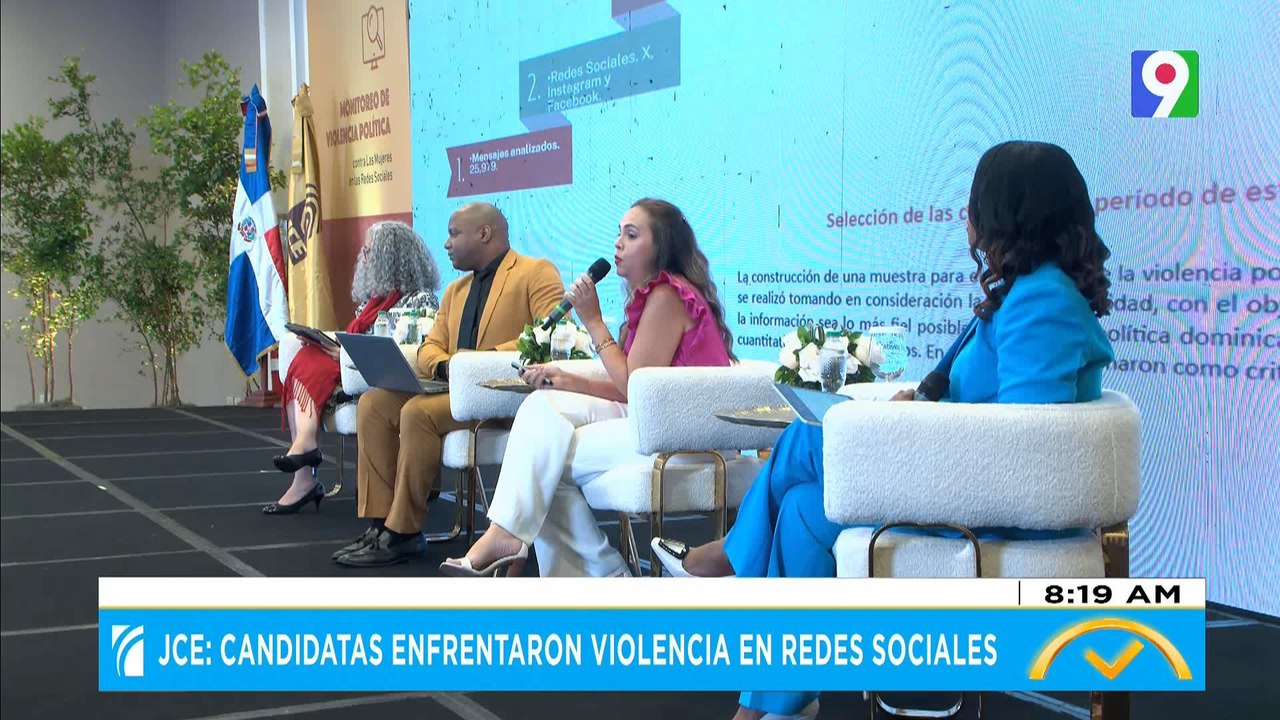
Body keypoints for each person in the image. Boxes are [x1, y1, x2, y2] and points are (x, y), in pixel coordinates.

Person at [650, 141, 1116, 720]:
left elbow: (1022, 442)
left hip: (992, 511)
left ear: (1006, 212)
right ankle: (774, 706)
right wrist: (914, 406)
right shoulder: (1031, 292)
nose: (965, 215)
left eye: (974, 200)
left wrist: (908, 426)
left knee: (812, 435)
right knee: (801, 509)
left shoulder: (1041, 301)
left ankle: (726, 557)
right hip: (967, 487)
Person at [440, 197, 738, 578]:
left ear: (660, 246)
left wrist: (593, 321)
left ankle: (588, 571)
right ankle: (519, 541)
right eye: (619, 233)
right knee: (543, 410)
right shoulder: (653, 296)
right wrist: (566, 381)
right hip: (656, 423)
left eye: (631, 235)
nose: (618, 243)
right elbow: (635, 386)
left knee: (542, 462)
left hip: (683, 439)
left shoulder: (668, 296)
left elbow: (634, 387)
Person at [334, 202, 565, 567]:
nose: (446, 244)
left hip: (501, 395)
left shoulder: (535, 272)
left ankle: (404, 531)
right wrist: (444, 366)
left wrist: (470, 364)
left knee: (417, 412)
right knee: (374, 404)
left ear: (484, 233)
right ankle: (380, 524)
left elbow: (547, 335)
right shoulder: (456, 290)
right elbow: (431, 347)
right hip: (451, 391)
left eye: (454, 234)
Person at [263, 220, 439, 515]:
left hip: (382, 382)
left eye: (368, 252)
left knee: (311, 364)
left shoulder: (421, 301)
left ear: (390, 258)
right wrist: (337, 349)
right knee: (305, 357)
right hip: (353, 371)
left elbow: (402, 354)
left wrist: (345, 355)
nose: (363, 258)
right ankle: (304, 468)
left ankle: (305, 458)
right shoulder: (373, 301)